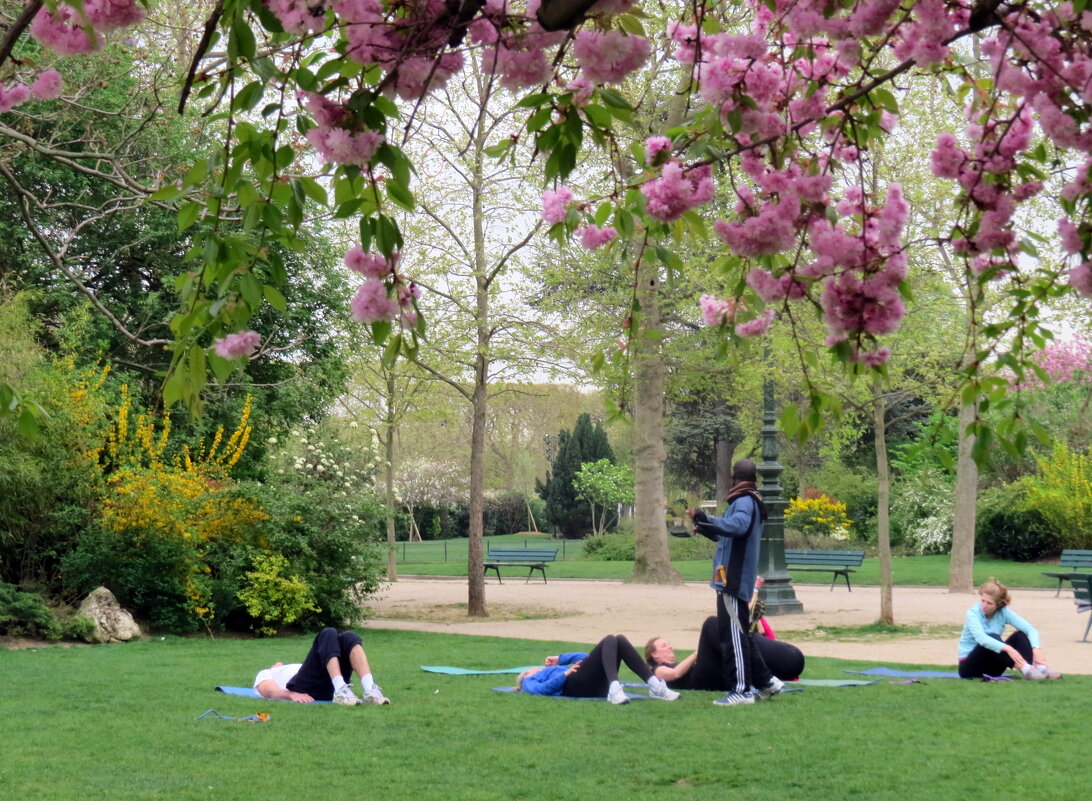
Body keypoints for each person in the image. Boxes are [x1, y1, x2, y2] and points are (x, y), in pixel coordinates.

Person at [687, 458, 782, 706]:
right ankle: (768, 682)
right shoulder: (751, 500)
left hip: (732, 580)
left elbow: (737, 527)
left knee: (733, 637)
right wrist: (705, 524)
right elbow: (727, 535)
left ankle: (741, 691)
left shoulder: (744, 501)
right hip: (733, 578)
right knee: (740, 634)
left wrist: (707, 517)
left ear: (734, 477)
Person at [644, 618, 805, 691]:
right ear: (654, 655)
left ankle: (743, 633)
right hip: (699, 681)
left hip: (718, 679)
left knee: (723, 634)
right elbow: (675, 673)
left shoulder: (672, 662)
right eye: (664, 646)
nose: (670, 647)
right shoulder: (656, 669)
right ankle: (740, 633)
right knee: (710, 624)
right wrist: (697, 653)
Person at [515, 634, 681, 705]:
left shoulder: (551, 670)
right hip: (573, 686)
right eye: (533, 669)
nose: (537, 668)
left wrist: (561, 659)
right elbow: (541, 690)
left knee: (618, 640)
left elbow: (589, 657)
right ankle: (615, 689)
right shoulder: (528, 681)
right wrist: (564, 674)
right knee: (610, 639)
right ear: (525, 675)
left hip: (587, 684)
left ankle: (655, 685)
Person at [253, 627, 390, 705]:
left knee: (349, 636)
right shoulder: (266, 673)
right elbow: (267, 690)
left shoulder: (292, 667)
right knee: (328, 633)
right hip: (305, 688)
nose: (278, 663)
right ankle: (340, 690)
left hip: (327, 682)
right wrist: (291, 695)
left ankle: (370, 690)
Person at [957, 578, 1061, 680]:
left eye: (989, 603)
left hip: (993, 667)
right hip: (969, 668)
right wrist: (1009, 649)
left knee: (1020, 635)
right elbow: (982, 639)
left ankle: (1039, 668)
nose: (984, 605)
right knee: (992, 637)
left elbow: (1030, 629)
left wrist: (1036, 649)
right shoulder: (972, 613)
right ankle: (1026, 669)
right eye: (982, 601)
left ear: (998, 604)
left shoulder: (1003, 612)